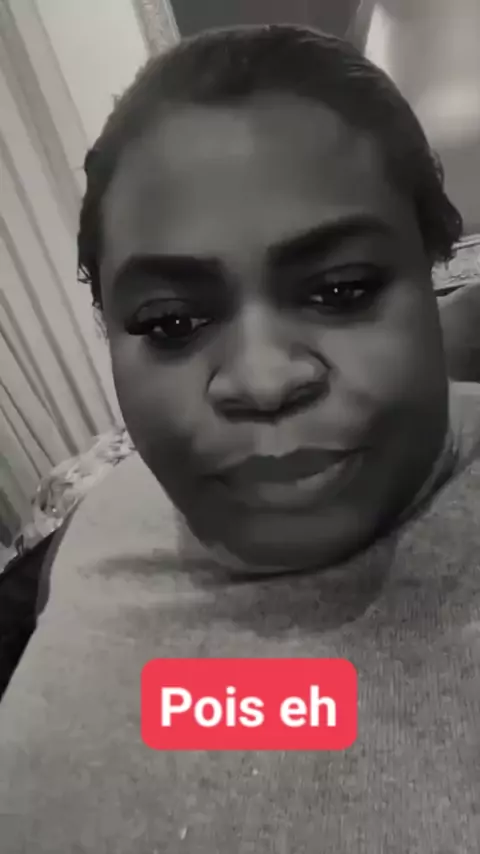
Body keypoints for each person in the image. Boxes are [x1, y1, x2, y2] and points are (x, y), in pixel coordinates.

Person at [1, 24, 479, 853]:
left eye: (342, 290)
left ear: (435, 264)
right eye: (171, 322)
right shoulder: (89, 521)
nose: (261, 381)